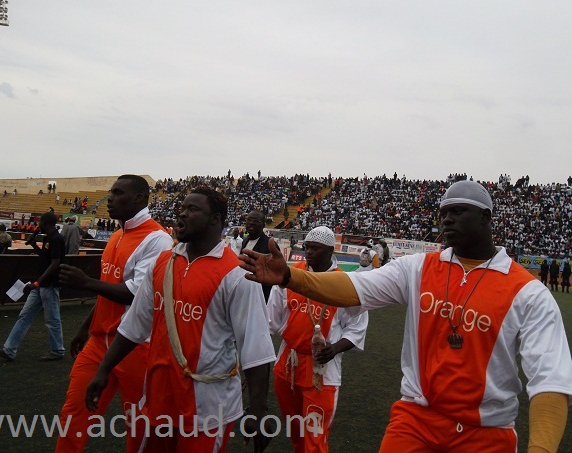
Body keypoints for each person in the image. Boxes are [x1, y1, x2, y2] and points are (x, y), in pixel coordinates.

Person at [240, 180, 572, 453]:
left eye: (458, 212)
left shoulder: (529, 293)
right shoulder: (418, 268)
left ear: (487, 218)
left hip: (487, 432)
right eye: (443, 213)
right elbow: (356, 288)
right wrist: (290, 278)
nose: (447, 220)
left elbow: (551, 379)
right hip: (415, 420)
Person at [85, 187, 275, 452]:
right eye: (181, 209)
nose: (181, 215)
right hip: (159, 402)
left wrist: (258, 411)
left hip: (208, 409)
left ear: (215, 220)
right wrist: (104, 369)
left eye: (192, 209)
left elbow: (256, 348)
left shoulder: (237, 274)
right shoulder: (162, 262)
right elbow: (134, 326)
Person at [54, 174, 173, 453]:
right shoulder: (118, 235)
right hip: (99, 341)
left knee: (139, 427)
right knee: (73, 416)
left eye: (118, 193)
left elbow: (136, 293)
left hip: (137, 346)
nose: (110, 198)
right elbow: (110, 288)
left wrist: (85, 283)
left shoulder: (158, 240)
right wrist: (87, 326)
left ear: (139, 199)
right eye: (110, 193)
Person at [267, 226, 367, 452]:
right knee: (295, 431)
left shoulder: (345, 282)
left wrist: (335, 349)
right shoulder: (290, 275)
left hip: (322, 370)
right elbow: (271, 319)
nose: (309, 252)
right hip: (287, 365)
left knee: (315, 436)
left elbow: (357, 328)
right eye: (307, 247)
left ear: (331, 250)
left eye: (315, 248)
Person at [0, 211, 66, 361]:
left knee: (52, 319)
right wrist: (34, 245)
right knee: (24, 316)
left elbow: (55, 263)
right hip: (39, 285)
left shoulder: (56, 239)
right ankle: (9, 350)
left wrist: (37, 283)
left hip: (48, 285)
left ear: (45, 223)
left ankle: (57, 351)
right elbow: (46, 258)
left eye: (40, 223)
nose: (38, 226)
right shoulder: (48, 238)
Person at [241, 209, 275, 302]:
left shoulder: (270, 244)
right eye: (249, 219)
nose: (251, 223)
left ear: (263, 225)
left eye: (256, 221)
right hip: (243, 293)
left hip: (260, 296)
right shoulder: (245, 241)